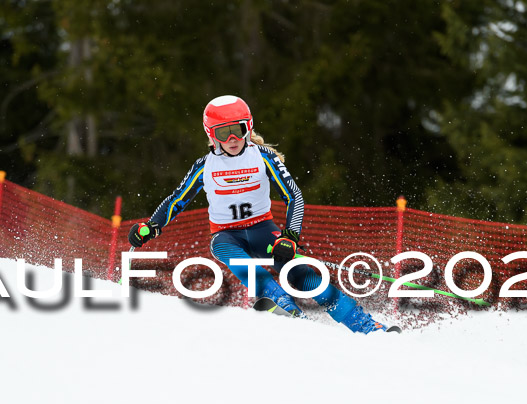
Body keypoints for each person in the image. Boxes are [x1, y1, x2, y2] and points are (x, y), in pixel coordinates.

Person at [128, 95, 392, 333]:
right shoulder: (205, 166)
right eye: (223, 133)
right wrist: (152, 226)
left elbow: (294, 197)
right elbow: (177, 200)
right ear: (211, 135)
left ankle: (368, 328)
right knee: (244, 265)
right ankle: (288, 310)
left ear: (248, 128)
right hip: (226, 237)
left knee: (301, 276)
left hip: (264, 231)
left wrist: (289, 237)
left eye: (238, 130)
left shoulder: (263, 157)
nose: (232, 139)